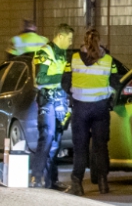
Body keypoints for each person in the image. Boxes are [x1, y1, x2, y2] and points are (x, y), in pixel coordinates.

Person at [61, 28, 120, 196]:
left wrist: (71, 97)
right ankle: (102, 183)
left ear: (84, 42)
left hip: (80, 109)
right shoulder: (109, 60)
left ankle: (77, 183)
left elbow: (65, 83)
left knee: (80, 148)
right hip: (100, 108)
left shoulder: (73, 59)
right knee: (100, 147)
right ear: (99, 41)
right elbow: (116, 83)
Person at [31, 24, 74, 189]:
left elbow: (68, 77)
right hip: (47, 100)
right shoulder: (44, 52)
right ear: (60, 36)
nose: (70, 43)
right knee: (47, 137)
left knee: (56, 141)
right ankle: (36, 177)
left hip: (60, 101)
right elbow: (40, 79)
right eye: (69, 39)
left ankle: (51, 180)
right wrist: (61, 78)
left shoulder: (63, 54)